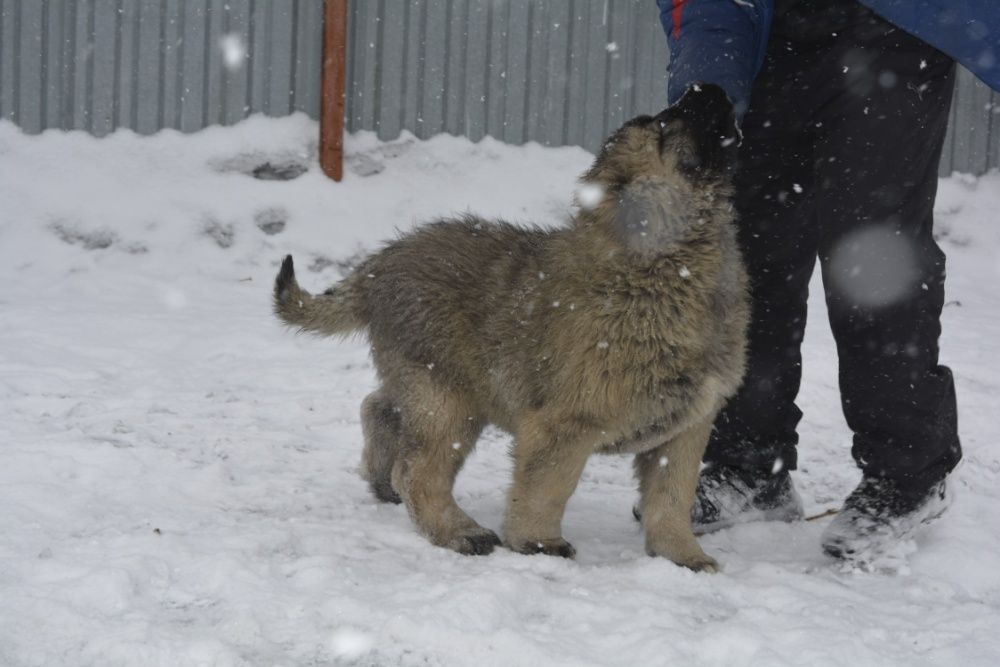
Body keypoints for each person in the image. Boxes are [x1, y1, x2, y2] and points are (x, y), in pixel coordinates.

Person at [654, 0, 1000, 561]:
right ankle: (751, 466)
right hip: (772, 39)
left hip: (894, 33)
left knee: (872, 260)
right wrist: (708, 82)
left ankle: (907, 474)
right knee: (747, 257)